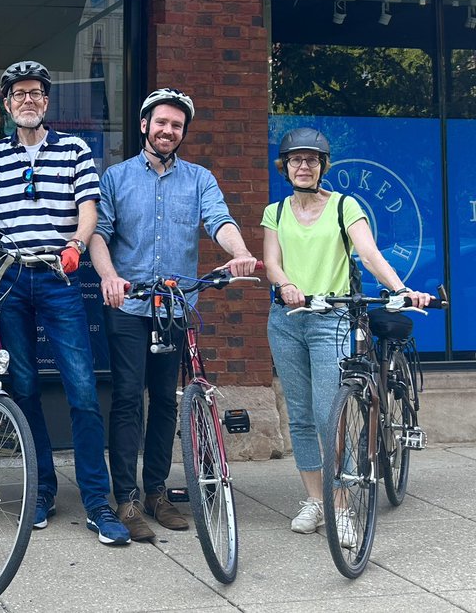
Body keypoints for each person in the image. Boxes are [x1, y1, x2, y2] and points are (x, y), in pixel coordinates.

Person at [0, 60, 130, 546]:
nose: (28, 100)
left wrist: (76, 246)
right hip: (10, 280)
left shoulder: (73, 149)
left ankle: (97, 502)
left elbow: (88, 211)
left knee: (81, 390)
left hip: (59, 277)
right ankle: (41, 491)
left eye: (36, 93)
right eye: (19, 94)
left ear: (47, 101)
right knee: (24, 388)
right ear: (7, 103)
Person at [89, 88, 257, 543]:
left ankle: (156, 492)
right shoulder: (116, 178)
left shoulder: (199, 179)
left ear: (183, 133)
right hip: (129, 305)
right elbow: (98, 234)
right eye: (161, 122)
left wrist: (240, 253)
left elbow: (219, 220)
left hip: (177, 305)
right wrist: (108, 276)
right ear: (144, 124)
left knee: (166, 400)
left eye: (177, 126)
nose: (168, 130)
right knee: (127, 398)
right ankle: (124, 497)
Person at [262, 127, 431, 541]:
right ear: (286, 167)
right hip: (286, 320)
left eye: (313, 160)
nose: (304, 166)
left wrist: (400, 290)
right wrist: (285, 286)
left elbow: (369, 254)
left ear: (322, 166)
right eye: (297, 160)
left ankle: (343, 507)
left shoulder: (343, 206)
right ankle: (315, 500)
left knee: (329, 415)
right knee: (299, 416)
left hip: (332, 319)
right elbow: (272, 262)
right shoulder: (276, 212)